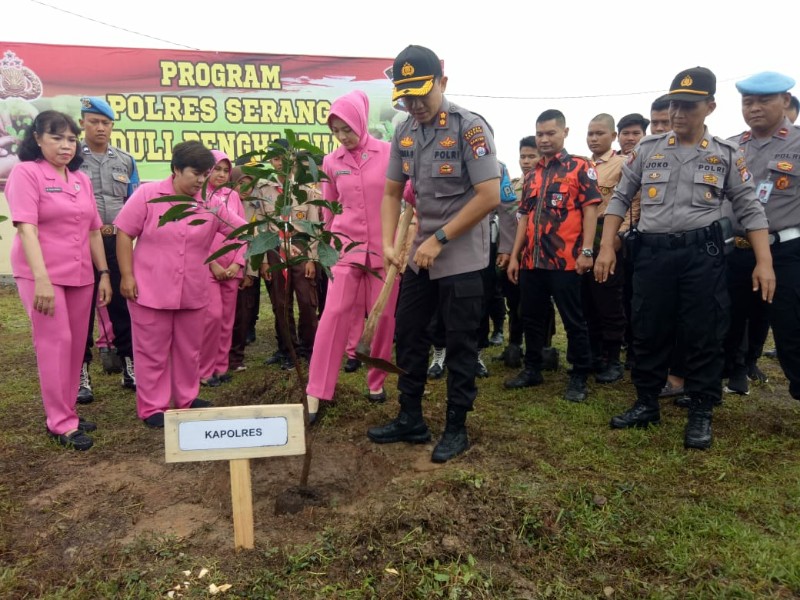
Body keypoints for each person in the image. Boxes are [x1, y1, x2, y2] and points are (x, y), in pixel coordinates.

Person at [595, 66, 775, 450]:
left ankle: (701, 411)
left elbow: (750, 209)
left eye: (689, 107)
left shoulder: (727, 154)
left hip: (702, 255)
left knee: (703, 332)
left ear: (709, 106)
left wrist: (764, 261)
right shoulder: (647, 151)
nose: (679, 114)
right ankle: (646, 402)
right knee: (648, 327)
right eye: (675, 105)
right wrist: (607, 245)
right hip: (653, 256)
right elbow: (619, 199)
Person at [368, 45, 500, 463]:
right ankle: (411, 418)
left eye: (422, 94)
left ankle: (456, 427)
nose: (414, 104)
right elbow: (391, 192)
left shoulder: (469, 128)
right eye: (406, 97)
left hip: (460, 256)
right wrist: (390, 245)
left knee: (460, 342)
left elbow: (489, 196)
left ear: (443, 83)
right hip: (419, 256)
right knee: (409, 335)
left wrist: (439, 238)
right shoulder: (404, 131)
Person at [114, 141, 248, 428]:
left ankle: (186, 398)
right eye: (195, 174)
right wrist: (126, 275)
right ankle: (153, 406)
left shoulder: (209, 204)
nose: (201, 180)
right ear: (175, 169)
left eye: (205, 174)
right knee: (152, 350)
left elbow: (242, 230)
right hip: (149, 289)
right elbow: (124, 233)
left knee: (189, 349)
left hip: (193, 290)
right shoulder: (149, 195)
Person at [5, 110, 112, 450]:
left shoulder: (79, 178)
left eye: (71, 139)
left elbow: (94, 230)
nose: (66, 146)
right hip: (42, 275)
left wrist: (104, 273)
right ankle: (59, 422)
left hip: (81, 274)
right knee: (55, 343)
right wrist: (41, 280)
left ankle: (68, 412)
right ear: (37, 139)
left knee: (75, 345)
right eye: (56, 138)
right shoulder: (26, 173)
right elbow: (27, 228)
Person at [305, 90, 397, 421]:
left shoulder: (389, 154)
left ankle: (376, 380)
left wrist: (400, 242)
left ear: (361, 121)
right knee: (334, 314)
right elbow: (329, 209)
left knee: (383, 316)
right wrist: (323, 249)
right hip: (345, 249)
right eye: (336, 131)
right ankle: (317, 390)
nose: (343, 137)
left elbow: (402, 199)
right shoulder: (332, 161)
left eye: (347, 129)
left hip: (385, 252)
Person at [505, 109, 601, 402]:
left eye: (550, 133)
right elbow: (524, 216)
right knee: (531, 317)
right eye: (540, 134)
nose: (544, 140)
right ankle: (532, 369)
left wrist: (587, 251)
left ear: (565, 132)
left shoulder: (580, 168)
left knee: (574, 320)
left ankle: (579, 376)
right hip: (532, 262)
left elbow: (590, 209)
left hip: (566, 261)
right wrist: (514, 256)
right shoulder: (532, 175)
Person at [727, 71, 800, 402]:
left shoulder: (797, 144)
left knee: (790, 330)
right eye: (748, 101)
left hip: (785, 252)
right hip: (736, 250)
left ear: (785, 101)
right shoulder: (731, 146)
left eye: (764, 100)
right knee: (726, 322)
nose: (754, 108)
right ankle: (725, 380)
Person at [76, 97, 140, 404]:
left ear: (112, 126)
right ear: (82, 124)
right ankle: (80, 372)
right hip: (80, 243)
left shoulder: (125, 160)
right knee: (81, 311)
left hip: (116, 243)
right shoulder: (72, 158)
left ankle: (130, 364)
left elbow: (135, 201)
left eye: (106, 123)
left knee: (123, 306)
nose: (100, 128)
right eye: (94, 122)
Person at [257, 142, 320, 371]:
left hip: (301, 249)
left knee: (306, 301)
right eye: (275, 159)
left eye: (285, 158)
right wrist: (264, 260)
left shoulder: (306, 189)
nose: (280, 163)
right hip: (275, 249)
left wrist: (312, 258)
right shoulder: (264, 190)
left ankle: (309, 349)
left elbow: (314, 226)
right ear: (271, 162)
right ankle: (287, 349)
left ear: (293, 160)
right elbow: (262, 228)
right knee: (280, 303)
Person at [583, 113, 627, 383]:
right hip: (583, 238)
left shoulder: (623, 163)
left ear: (613, 136)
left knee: (608, 299)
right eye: (590, 134)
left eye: (600, 133)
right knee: (586, 299)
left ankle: (613, 358)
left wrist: (616, 240)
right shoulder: (580, 165)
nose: (594, 138)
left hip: (608, 235)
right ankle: (593, 353)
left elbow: (632, 202)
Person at [198, 151, 247, 387]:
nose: (221, 174)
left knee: (227, 319)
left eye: (225, 170)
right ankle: (205, 371)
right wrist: (213, 263)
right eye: (216, 168)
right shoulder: (198, 197)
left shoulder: (233, 196)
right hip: (209, 268)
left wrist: (239, 262)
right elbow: (195, 238)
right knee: (212, 317)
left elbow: (243, 232)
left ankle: (221, 367)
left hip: (232, 268)